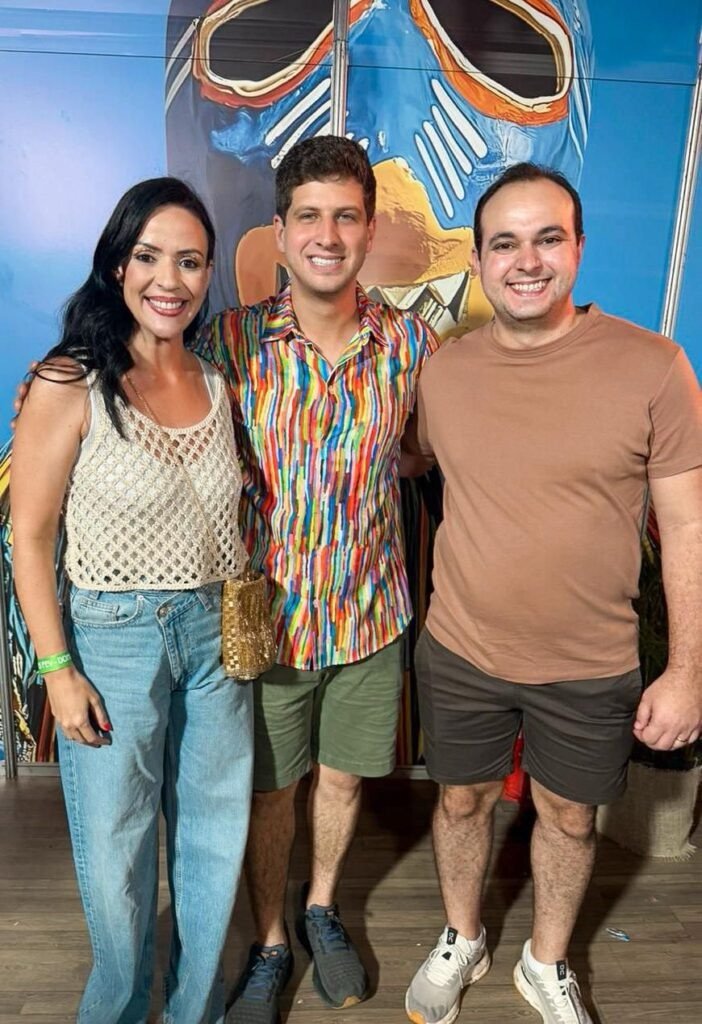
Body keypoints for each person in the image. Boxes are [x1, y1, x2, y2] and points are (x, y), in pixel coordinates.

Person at [403, 162, 702, 1024]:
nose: (526, 261)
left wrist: (686, 671)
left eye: (547, 239)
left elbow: (687, 526)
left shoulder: (654, 367)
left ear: (578, 247)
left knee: (569, 819)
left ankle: (545, 960)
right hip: (461, 647)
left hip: (590, 660)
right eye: (505, 243)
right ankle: (463, 936)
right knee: (460, 801)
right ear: (477, 260)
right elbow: (409, 460)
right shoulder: (445, 373)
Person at [190, 136, 438, 1023]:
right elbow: (149, 405)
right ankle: (269, 941)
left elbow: (425, 451)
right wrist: (57, 383)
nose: (327, 236)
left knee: (342, 780)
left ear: (370, 229)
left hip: (371, 610)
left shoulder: (411, 344)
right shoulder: (229, 341)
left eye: (345, 217)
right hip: (269, 622)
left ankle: (321, 906)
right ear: (281, 230)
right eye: (309, 217)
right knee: (271, 791)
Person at [11, 178, 254, 1024]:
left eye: (189, 261)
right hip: (113, 639)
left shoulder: (216, 382)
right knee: (117, 852)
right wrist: (57, 669)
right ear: (118, 265)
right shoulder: (69, 380)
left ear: (208, 273)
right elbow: (30, 538)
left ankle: (195, 1011)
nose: (169, 280)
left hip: (217, 636)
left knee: (213, 840)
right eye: (149, 256)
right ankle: (115, 1007)